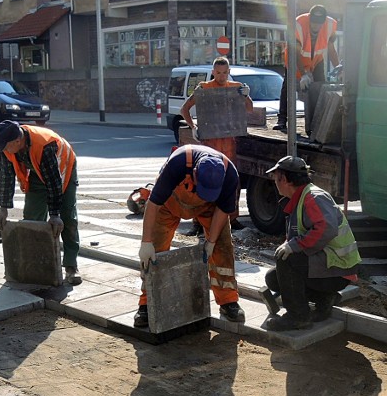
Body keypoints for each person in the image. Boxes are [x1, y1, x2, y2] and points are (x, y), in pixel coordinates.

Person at [134, 144, 245, 327]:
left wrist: (211, 242)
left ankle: (228, 301)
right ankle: (147, 303)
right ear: (194, 173)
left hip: (208, 208)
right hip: (170, 204)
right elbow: (153, 204)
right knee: (155, 251)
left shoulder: (230, 175)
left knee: (222, 248)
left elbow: (223, 210)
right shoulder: (178, 163)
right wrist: (146, 242)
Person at [263, 156, 360, 331]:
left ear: (283, 179)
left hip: (338, 268)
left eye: (276, 178)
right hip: (331, 265)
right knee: (274, 278)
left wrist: (294, 246)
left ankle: (298, 317)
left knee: (287, 261)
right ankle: (324, 299)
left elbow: (326, 229)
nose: (275, 183)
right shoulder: (301, 199)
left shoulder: (313, 197)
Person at [0, 120, 81, 285]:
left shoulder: (44, 145)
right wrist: (3, 208)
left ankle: (71, 266)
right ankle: (37, 264)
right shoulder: (8, 146)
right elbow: (5, 177)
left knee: (67, 217)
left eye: (5, 146)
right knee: (31, 217)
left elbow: (54, 182)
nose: (3, 150)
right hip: (38, 170)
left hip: (63, 167)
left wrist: (54, 214)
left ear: (17, 141)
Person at [180, 56, 253, 233]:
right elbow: (184, 109)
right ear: (213, 72)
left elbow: (249, 109)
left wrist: (247, 96)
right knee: (204, 181)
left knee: (231, 183)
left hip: (229, 146)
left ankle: (232, 219)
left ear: (229, 72)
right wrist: (193, 127)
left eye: (225, 72)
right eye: (218, 73)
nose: (221, 76)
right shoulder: (204, 89)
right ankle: (199, 223)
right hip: (209, 146)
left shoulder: (236, 88)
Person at [274, 4, 340, 132]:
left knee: (320, 88)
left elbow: (331, 49)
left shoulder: (330, 25)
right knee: (288, 88)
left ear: (324, 21)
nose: (316, 26)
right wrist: (304, 74)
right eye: (313, 23)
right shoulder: (298, 24)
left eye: (319, 23)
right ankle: (282, 120)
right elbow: (296, 52)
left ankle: (316, 122)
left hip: (316, 60)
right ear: (309, 19)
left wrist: (338, 68)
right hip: (295, 60)